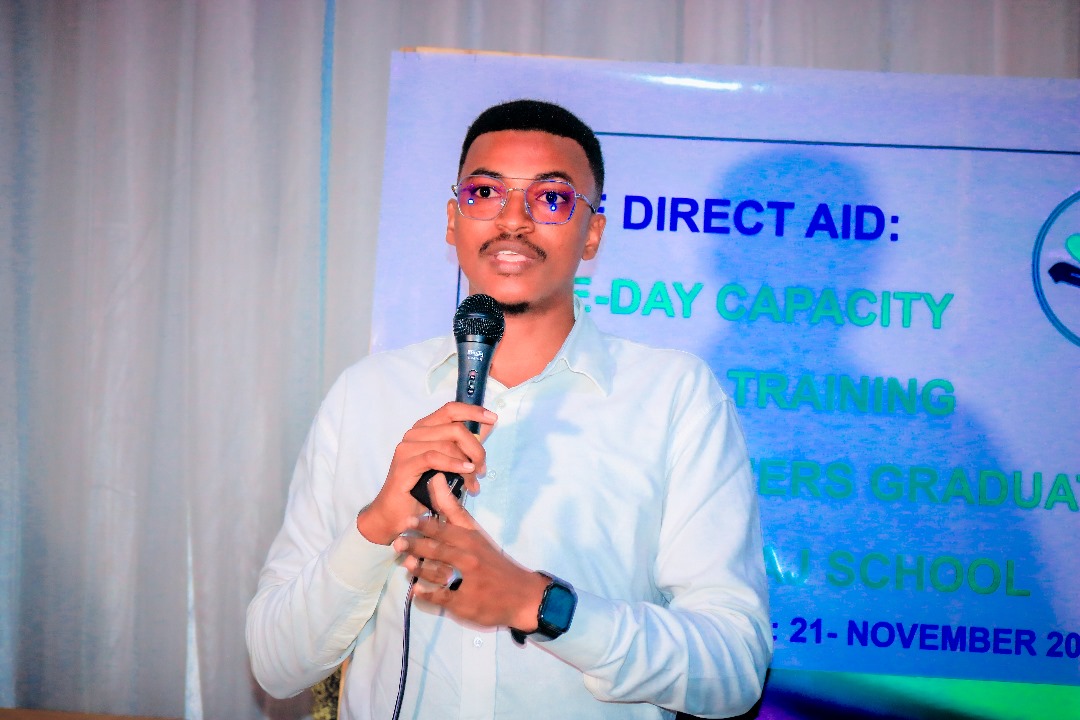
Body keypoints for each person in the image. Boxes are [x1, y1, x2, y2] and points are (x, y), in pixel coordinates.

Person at [246, 99, 772, 719]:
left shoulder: (673, 396)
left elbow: (733, 668)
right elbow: (276, 664)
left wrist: (538, 604)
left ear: (593, 232)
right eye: (485, 193)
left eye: (550, 198)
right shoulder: (366, 394)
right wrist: (380, 521)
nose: (513, 220)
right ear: (453, 221)